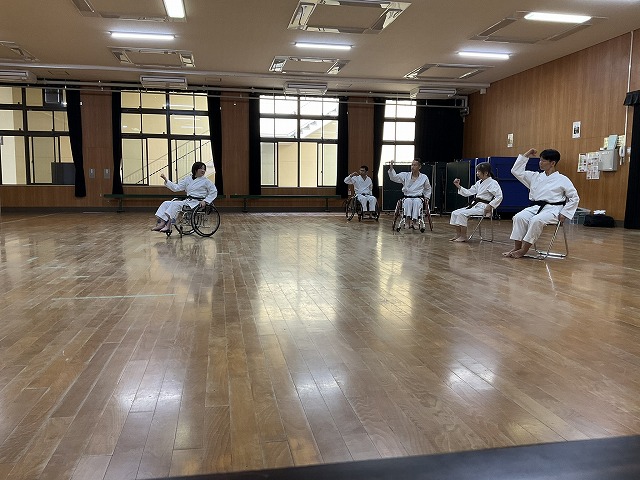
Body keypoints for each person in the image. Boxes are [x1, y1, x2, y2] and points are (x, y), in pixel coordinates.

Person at [503, 148, 579, 258]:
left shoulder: (563, 179)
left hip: (553, 210)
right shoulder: (535, 176)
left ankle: (524, 250)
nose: (540, 163)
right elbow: (516, 171)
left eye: (543, 161)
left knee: (536, 220)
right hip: (536, 207)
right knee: (519, 217)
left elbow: (574, 197)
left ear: (552, 163)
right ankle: (517, 247)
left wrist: (565, 213)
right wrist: (526, 155)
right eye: (540, 160)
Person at [152, 161, 218, 233]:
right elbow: (176, 188)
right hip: (188, 201)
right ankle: (162, 223)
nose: (203, 170)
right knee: (166, 203)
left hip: (197, 202)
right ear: (195, 169)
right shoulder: (188, 179)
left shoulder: (206, 181)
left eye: (204, 169)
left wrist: (205, 201)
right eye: (201, 168)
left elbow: (214, 192)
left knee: (175, 204)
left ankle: (168, 226)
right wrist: (166, 180)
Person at [450, 162, 503, 242]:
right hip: (475, 205)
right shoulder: (479, 183)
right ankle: (458, 234)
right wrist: (458, 186)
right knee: (454, 213)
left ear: (486, 173)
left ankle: (463, 236)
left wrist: (490, 206)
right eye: (477, 171)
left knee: (462, 214)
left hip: (484, 207)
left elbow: (499, 196)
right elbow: (469, 192)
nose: (477, 173)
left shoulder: (493, 183)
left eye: (479, 171)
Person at [388, 158, 432, 229]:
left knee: (417, 202)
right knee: (408, 201)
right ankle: (407, 221)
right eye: (412, 165)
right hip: (407, 197)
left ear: (419, 167)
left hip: (418, 197)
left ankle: (414, 222)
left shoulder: (424, 177)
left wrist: (427, 197)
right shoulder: (405, 175)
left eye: (415, 165)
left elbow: (428, 188)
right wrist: (391, 168)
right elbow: (394, 177)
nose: (412, 167)